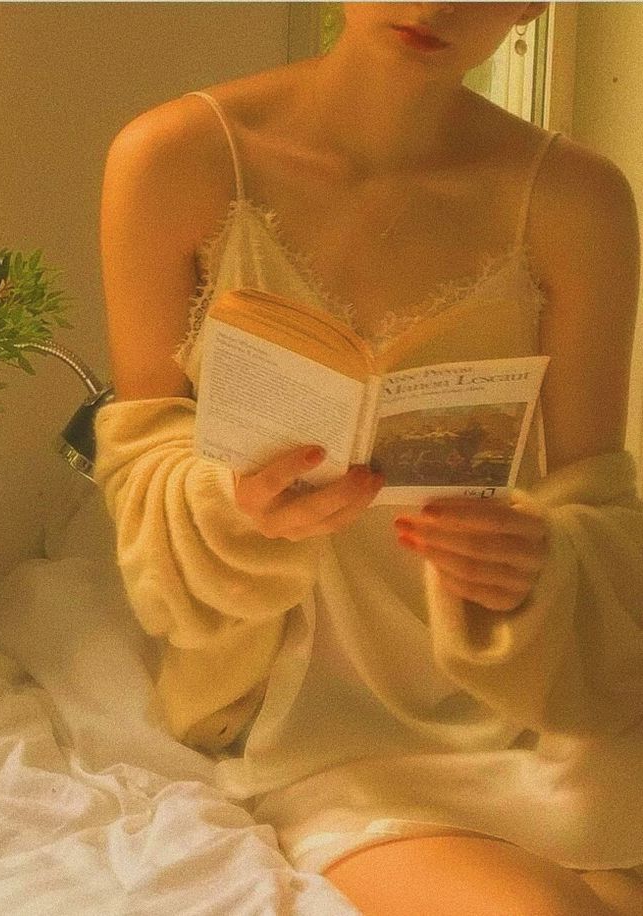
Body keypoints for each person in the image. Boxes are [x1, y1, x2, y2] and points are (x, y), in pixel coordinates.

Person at [96, 3, 643, 913]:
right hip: (311, 717)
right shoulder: (173, 159)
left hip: (534, 706)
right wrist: (237, 510)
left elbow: (597, 506)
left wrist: (537, 565)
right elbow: (138, 464)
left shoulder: (577, 199)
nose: (432, 4)